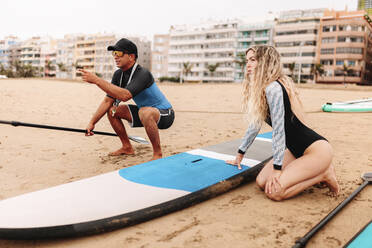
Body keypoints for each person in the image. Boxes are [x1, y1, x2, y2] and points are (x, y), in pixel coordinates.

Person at [226, 45, 340, 201]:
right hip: (295, 151)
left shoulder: (274, 88)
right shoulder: (262, 89)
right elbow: (254, 126)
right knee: (261, 182)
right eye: (247, 60)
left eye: (253, 60)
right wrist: (240, 155)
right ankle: (317, 172)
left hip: (316, 150)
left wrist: (277, 169)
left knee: (275, 192)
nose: (248, 64)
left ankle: (324, 173)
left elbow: (279, 131)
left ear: (265, 61)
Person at [79, 38, 174, 160]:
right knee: (112, 111)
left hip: (165, 114)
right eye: (114, 53)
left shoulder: (143, 74)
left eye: (118, 53)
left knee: (145, 112)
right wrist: (92, 123)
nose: (115, 57)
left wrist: (97, 80)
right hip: (143, 113)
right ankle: (127, 147)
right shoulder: (118, 75)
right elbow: (108, 101)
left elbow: (125, 96)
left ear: (131, 56)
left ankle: (157, 154)